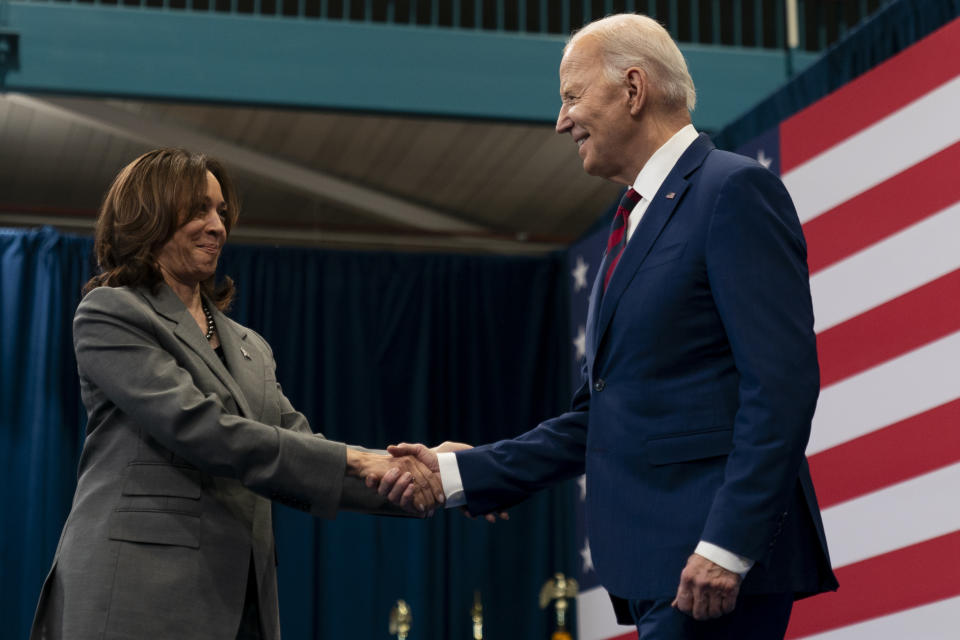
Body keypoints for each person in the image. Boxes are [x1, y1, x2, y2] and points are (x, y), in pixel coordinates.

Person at [382, 13, 838, 639]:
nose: (561, 119)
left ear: (632, 88)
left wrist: (728, 546)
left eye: (571, 96)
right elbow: (602, 414)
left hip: (711, 569)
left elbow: (781, 387)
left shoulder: (733, 191)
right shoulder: (632, 223)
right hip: (661, 570)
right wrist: (466, 473)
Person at [30, 148, 443, 640]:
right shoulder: (112, 313)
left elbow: (303, 455)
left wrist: (440, 476)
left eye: (221, 212)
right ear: (150, 213)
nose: (217, 226)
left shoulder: (252, 348)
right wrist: (358, 459)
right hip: (134, 594)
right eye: (198, 210)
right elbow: (202, 429)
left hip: (237, 603)